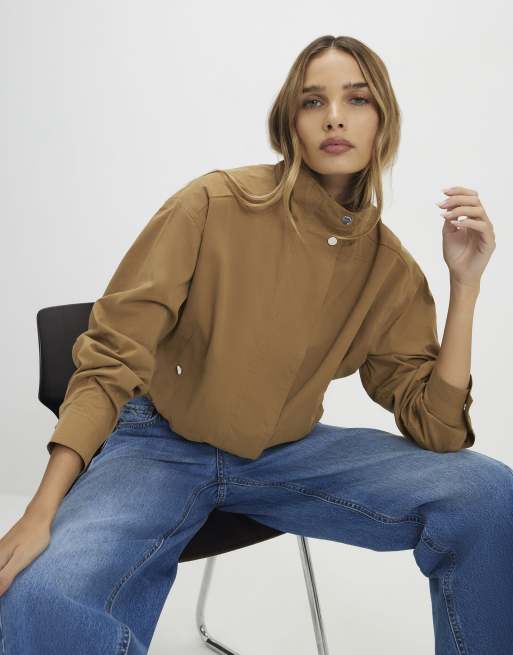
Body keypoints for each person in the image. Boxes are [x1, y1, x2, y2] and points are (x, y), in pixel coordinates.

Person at [0, 34, 511, 655]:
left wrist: (465, 286)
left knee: (487, 494)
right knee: (43, 593)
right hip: (159, 444)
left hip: (287, 454)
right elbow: (111, 356)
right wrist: (39, 511)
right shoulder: (211, 205)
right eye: (313, 101)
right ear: (290, 122)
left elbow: (438, 430)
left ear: (384, 121)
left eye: (357, 99)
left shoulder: (389, 268)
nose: (334, 118)